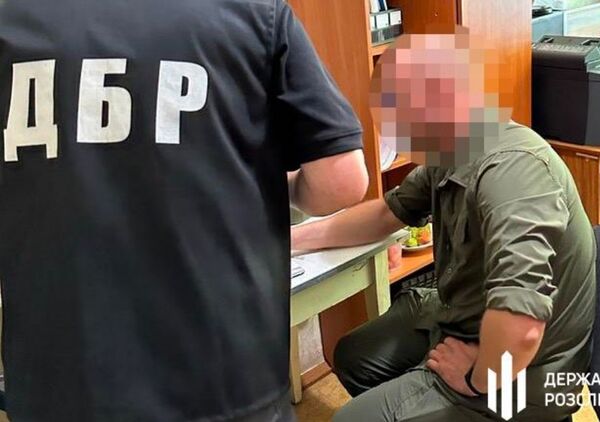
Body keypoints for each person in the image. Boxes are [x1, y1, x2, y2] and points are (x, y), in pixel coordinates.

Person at [0, 0, 368, 421]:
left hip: (62, 379)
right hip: (223, 378)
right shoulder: (251, 13)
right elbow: (342, 181)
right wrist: (272, 187)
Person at [291, 33, 596, 421]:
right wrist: (295, 239)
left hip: (527, 371)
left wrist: (476, 378)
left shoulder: (514, 172)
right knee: (355, 355)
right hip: (469, 314)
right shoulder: (457, 148)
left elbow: (523, 327)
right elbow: (386, 214)